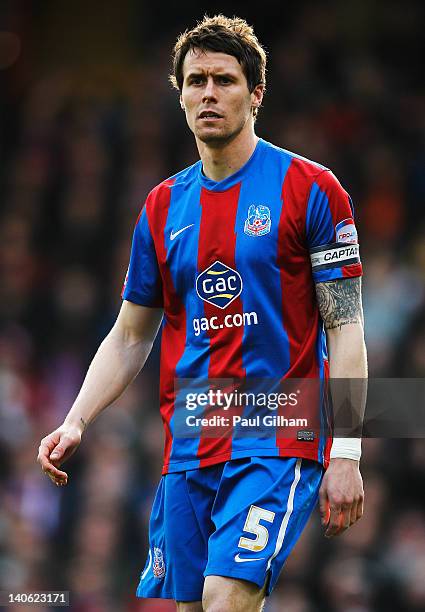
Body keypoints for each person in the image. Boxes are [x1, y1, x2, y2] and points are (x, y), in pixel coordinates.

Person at [37, 14, 367, 612]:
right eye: (195, 82)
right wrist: (77, 419)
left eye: (224, 80)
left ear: (256, 93)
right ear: (180, 95)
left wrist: (347, 452)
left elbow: (346, 326)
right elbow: (131, 334)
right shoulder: (163, 206)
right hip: (192, 439)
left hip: (279, 434)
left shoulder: (312, 189)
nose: (208, 94)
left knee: (226, 599)